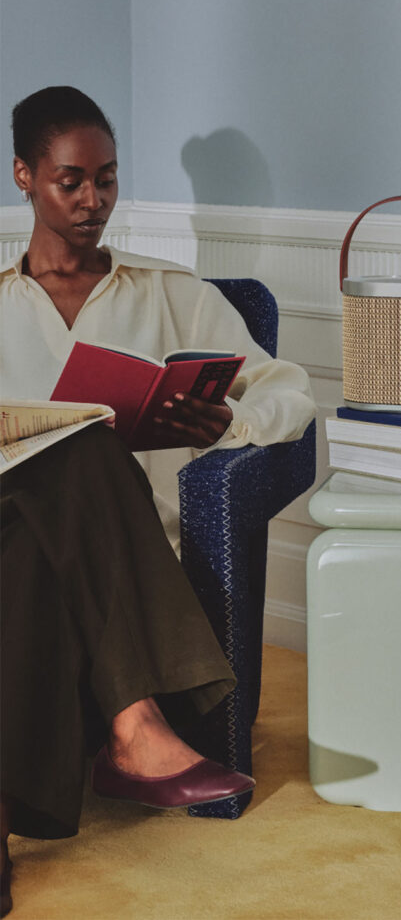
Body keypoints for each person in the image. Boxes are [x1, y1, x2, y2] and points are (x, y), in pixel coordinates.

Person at [0, 87, 317, 916]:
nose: (93, 200)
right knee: (67, 460)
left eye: (106, 179)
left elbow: (291, 393)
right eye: (70, 180)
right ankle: (134, 727)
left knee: (85, 459)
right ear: (25, 175)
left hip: (108, 566)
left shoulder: (174, 295)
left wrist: (231, 420)